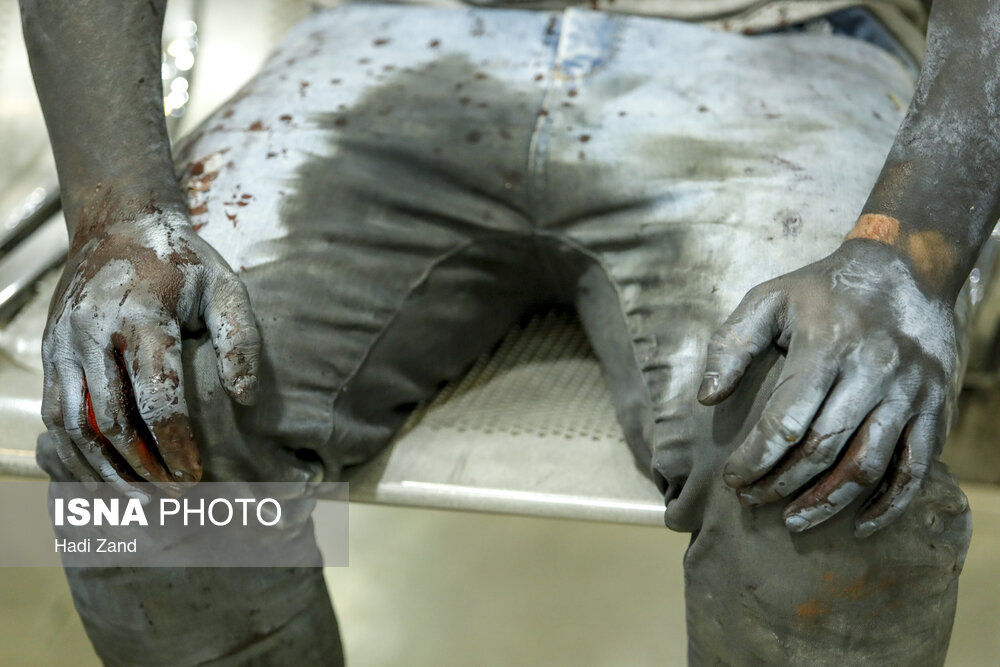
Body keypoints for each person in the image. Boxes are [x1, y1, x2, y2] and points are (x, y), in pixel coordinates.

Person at [18, 0, 997, 664]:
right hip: (386, 37)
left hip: (785, 37)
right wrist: (119, 215)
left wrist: (908, 248)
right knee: (143, 398)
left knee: (827, 446)